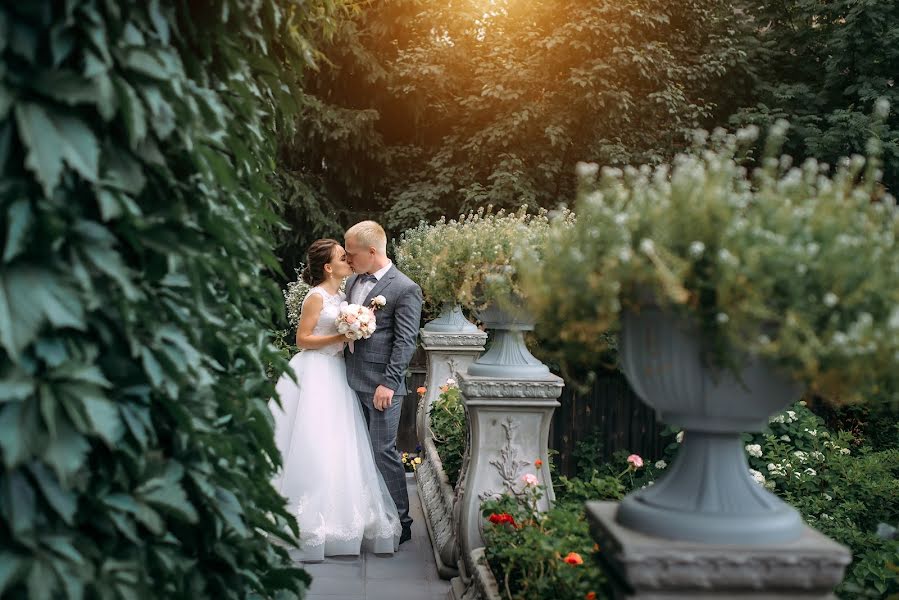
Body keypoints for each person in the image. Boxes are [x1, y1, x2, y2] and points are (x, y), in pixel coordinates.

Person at [270, 238, 400, 561]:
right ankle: (307, 520)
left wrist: (359, 325)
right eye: (342, 257)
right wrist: (342, 335)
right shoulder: (315, 297)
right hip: (315, 373)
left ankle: (342, 518)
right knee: (312, 442)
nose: (348, 260)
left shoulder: (343, 295)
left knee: (340, 445)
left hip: (338, 375)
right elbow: (302, 339)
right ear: (329, 267)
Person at [343, 221, 423, 546]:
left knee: (382, 452)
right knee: (356, 453)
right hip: (349, 382)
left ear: (372, 252)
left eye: (352, 254)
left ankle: (401, 522)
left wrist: (389, 383)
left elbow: (405, 341)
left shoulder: (405, 288)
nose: (348, 260)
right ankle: (368, 517)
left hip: (381, 388)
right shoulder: (351, 282)